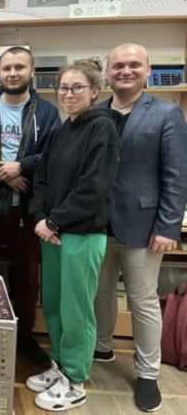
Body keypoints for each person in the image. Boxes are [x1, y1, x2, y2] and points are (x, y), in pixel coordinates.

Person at [94, 43, 187, 413]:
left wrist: (168, 226)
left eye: (134, 65)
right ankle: (101, 347)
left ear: (148, 70)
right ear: (107, 73)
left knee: (143, 301)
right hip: (97, 226)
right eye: (118, 65)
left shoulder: (167, 113)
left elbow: (177, 176)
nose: (125, 71)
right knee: (99, 294)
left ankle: (148, 373)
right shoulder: (95, 113)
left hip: (144, 227)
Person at [26, 58, 121, 412]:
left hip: (81, 234)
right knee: (54, 305)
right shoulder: (59, 133)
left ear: (95, 91)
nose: (68, 94)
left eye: (77, 87)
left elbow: (94, 186)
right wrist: (40, 217)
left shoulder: (103, 128)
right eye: (63, 88)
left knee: (76, 310)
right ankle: (61, 366)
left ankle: (76, 379)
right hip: (52, 234)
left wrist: (54, 221)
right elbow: (40, 180)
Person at [0, 46, 61, 368]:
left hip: (30, 209)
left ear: (32, 71)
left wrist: (22, 166)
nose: (12, 73)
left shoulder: (47, 112)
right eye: (6, 68)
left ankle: (24, 335)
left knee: (28, 277)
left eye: (19, 67)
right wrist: (4, 175)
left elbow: (54, 154)